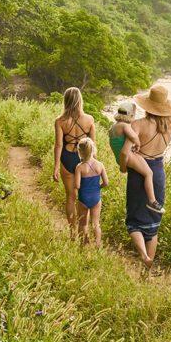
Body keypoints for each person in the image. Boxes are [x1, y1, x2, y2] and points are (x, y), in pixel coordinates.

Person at [125, 84, 171, 268]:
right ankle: (146, 272)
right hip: (158, 171)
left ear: (148, 105)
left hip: (140, 171)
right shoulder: (170, 127)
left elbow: (128, 148)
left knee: (134, 221)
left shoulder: (138, 124)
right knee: (153, 223)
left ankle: (143, 255)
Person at [53, 87, 96, 236]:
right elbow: (93, 145)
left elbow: (59, 145)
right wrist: (93, 165)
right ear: (80, 100)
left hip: (67, 158)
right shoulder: (89, 120)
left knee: (70, 197)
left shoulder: (60, 121)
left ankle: (73, 233)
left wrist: (56, 167)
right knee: (84, 197)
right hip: (84, 159)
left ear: (66, 100)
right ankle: (83, 232)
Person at [108, 100, 165, 213]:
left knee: (146, 172)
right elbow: (134, 137)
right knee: (148, 173)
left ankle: (152, 201)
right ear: (130, 115)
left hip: (121, 157)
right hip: (127, 156)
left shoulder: (113, 127)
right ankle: (152, 201)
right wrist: (138, 145)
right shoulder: (125, 126)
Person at [74, 136, 108, 247]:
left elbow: (77, 185)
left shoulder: (79, 167)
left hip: (83, 197)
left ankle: (83, 245)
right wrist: (98, 186)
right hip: (96, 197)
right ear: (92, 149)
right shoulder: (100, 165)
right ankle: (98, 246)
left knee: (83, 223)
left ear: (80, 152)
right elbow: (106, 183)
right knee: (96, 224)